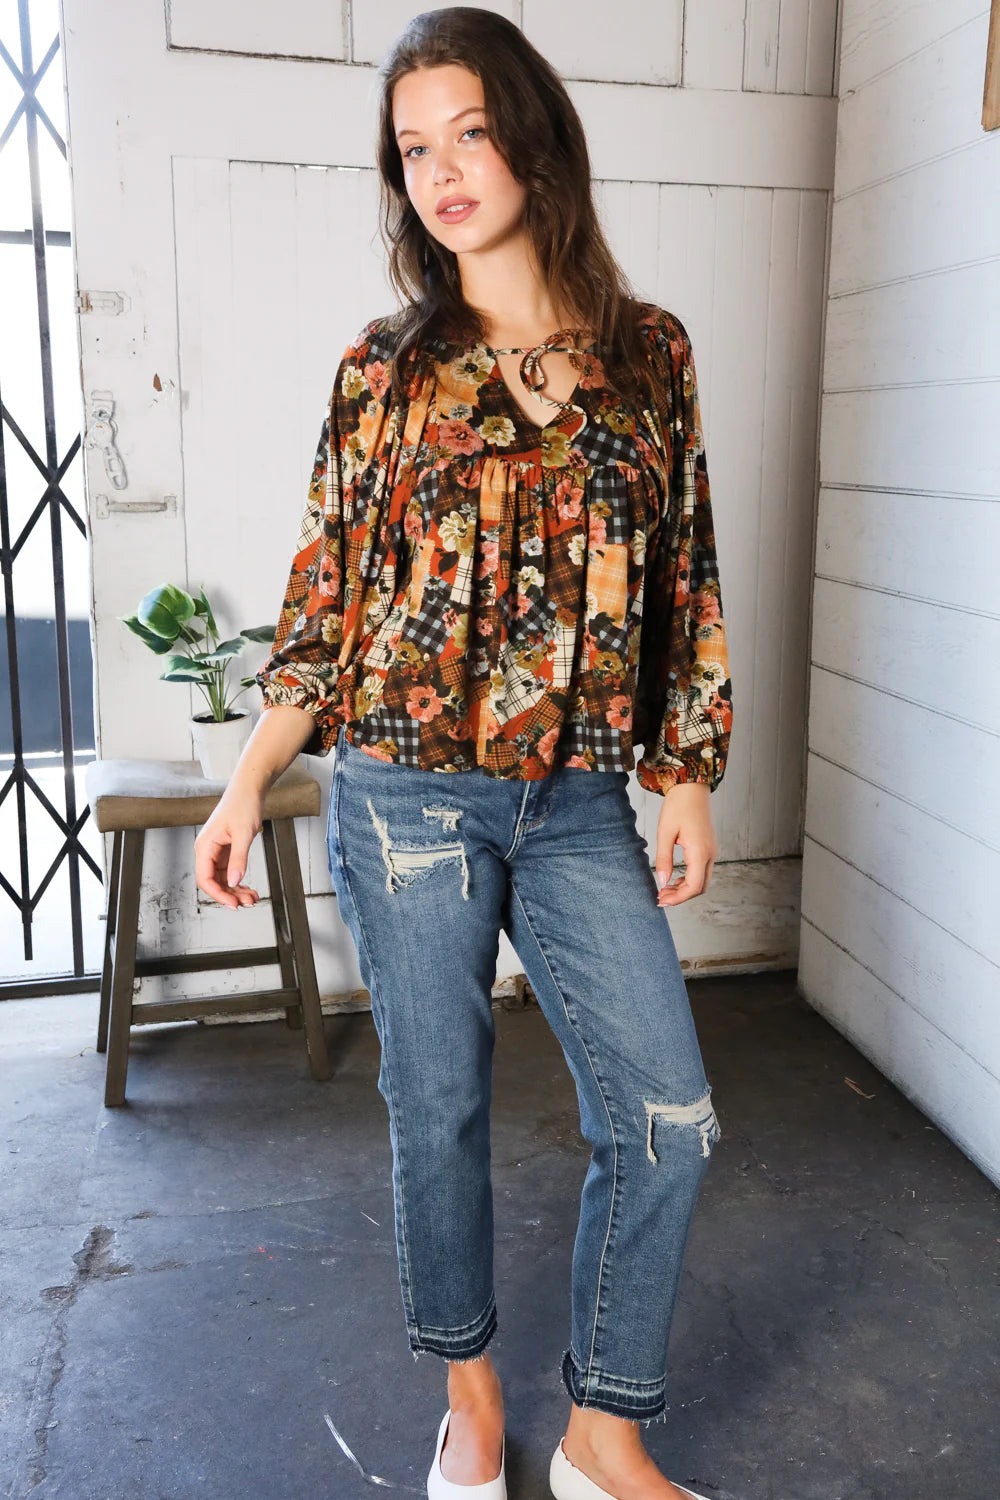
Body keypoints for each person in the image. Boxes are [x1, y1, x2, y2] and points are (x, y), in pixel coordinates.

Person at [194, 9, 733, 1499]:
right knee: (438, 1113)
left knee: (667, 1119)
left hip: (573, 802)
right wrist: (247, 783)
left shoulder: (650, 357)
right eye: (411, 151)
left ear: (532, 133)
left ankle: (606, 1436)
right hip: (403, 796)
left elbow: (684, 571)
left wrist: (683, 767)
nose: (439, 172)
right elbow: (323, 606)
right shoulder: (385, 372)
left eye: (467, 134)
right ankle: (475, 1405)